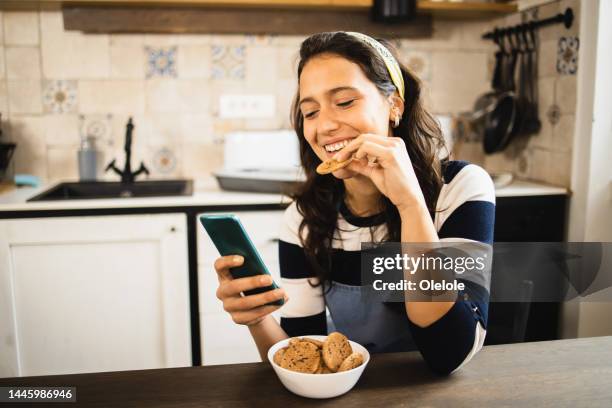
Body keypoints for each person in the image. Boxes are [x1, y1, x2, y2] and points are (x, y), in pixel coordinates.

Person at [214, 31, 495, 375]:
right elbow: (308, 359)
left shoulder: (459, 189)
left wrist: (409, 204)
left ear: (395, 106)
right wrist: (257, 318)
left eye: (345, 102)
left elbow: (450, 352)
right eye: (311, 111)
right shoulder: (305, 218)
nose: (326, 125)